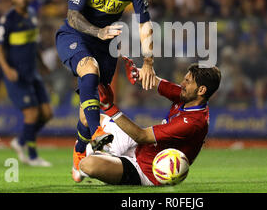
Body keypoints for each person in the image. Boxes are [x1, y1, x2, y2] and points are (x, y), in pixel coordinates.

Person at [55, 0, 157, 181]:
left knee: (90, 104)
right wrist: (97, 32)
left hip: (105, 45)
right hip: (75, 35)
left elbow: (144, 23)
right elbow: (72, 15)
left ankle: (79, 154)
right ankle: (97, 134)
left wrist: (148, 61)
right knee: (89, 68)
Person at [73, 58, 221, 186]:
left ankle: (101, 156)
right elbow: (157, 82)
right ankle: (85, 151)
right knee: (89, 114)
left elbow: (142, 136)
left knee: (88, 165)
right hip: (140, 147)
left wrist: (109, 107)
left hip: (147, 170)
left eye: (187, 81)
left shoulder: (193, 122)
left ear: (201, 90)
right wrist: (138, 74)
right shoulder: (187, 98)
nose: (182, 83)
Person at [0, 0, 53, 167]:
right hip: (16, 75)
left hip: (32, 72)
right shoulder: (8, 20)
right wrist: (6, 68)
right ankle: (32, 156)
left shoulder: (33, 16)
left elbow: (32, 43)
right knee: (32, 114)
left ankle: (20, 141)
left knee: (47, 113)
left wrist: (42, 62)